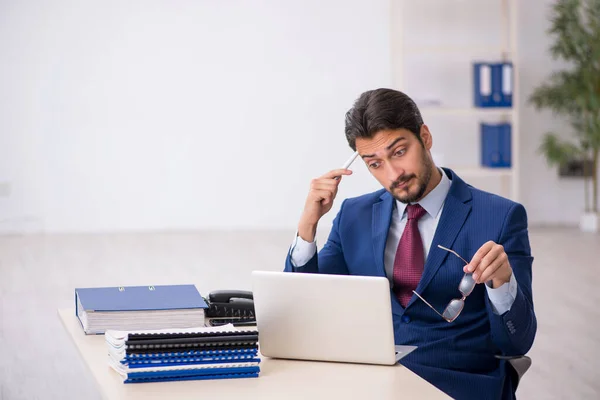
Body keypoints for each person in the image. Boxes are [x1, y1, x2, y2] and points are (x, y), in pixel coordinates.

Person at [283, 88, 536, 400]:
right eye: (375, 164)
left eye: (399, 152)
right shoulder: (354, 215)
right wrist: (308, 225)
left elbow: (517, 342)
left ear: (425, 137)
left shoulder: (500, 216)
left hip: (454, 385)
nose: (393, 174)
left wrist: (501, 283)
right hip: (367, 384)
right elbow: (308, 311)